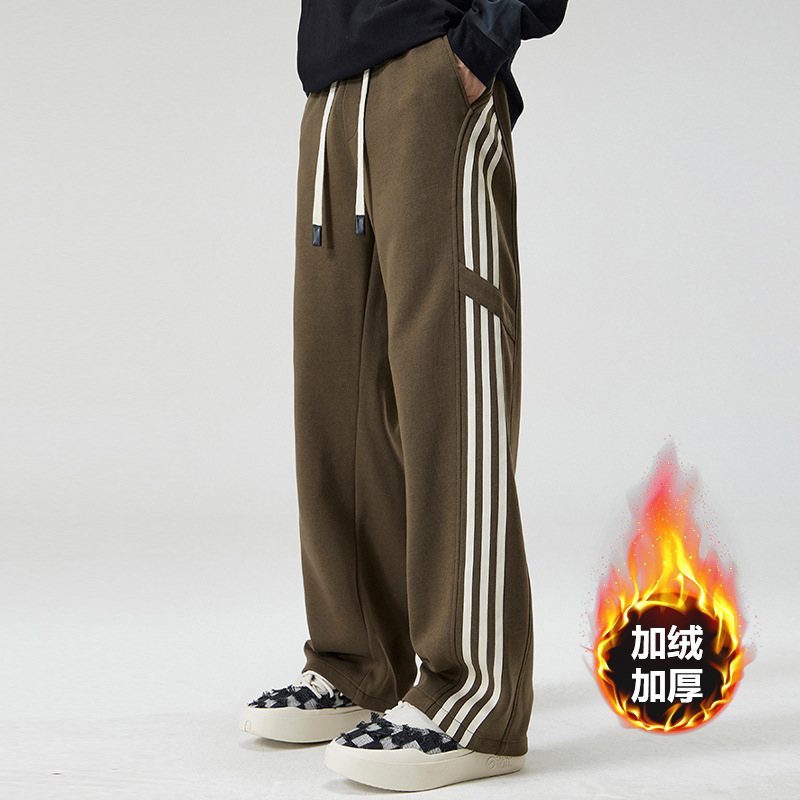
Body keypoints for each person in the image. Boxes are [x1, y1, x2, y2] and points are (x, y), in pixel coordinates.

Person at [239, 0, 569, 791]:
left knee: (450, 378)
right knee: (337, 395)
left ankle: (476, 697)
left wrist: (484, 39)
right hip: (332, 92)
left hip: (434, 66)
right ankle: (357, 661)